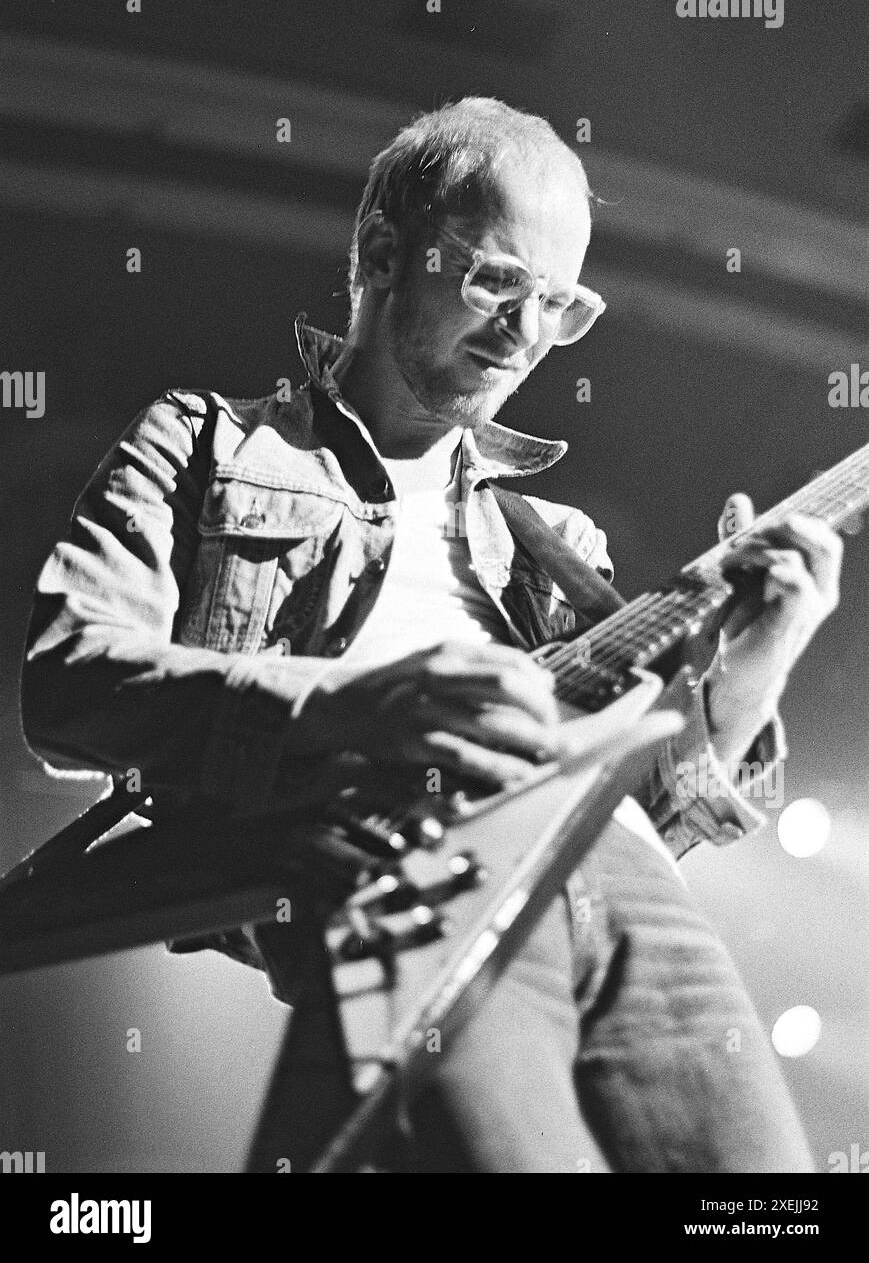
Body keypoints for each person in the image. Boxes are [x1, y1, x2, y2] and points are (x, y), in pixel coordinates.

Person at [20, 97, 842, 1172]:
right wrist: (352, 703)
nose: (524, 334)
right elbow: (69, 685)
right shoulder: (206, 440)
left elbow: (658, 808)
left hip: (628, 884)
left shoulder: (555, 538)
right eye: (497, 281)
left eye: (558, 304)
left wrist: (757, 658)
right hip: (413, 876)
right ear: (379, 252)